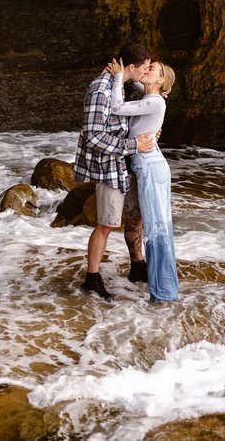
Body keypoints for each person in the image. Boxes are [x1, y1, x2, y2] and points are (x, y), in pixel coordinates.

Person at [74, 42, 155, 301]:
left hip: (129, 163)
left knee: (135, 218)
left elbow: (144, 107)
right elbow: (93, 137)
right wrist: (134, 145)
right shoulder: (101, 90)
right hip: (110, 166)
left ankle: (137, 266)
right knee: (106, 225)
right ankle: (92, 279)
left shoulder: (126, 85)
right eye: (144, 68)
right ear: (131, 67)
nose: (146, 73)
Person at [105, 57, 179, 304]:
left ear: (161, 80)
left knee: (157, 230)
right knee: (157, 228)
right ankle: (162, 288)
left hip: (150, 166)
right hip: (148, 163)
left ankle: (163, 293)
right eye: (146, 66)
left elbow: (117, 107)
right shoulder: (150, 96)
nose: (146, 70)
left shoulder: (155, 101)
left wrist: (118, 76)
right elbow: (135, 80)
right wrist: (125, 73)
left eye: (152, 68)